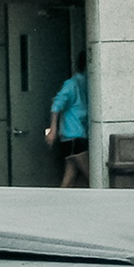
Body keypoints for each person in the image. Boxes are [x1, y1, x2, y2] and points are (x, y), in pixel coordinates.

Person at [45, 51, 90, 188]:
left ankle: (58, 201)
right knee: (93, 177)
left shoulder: (79, 83)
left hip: (70, 138)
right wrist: (53, 129)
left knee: (68, 179)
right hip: (75, 137)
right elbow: (57, 104)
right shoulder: (74, 84)